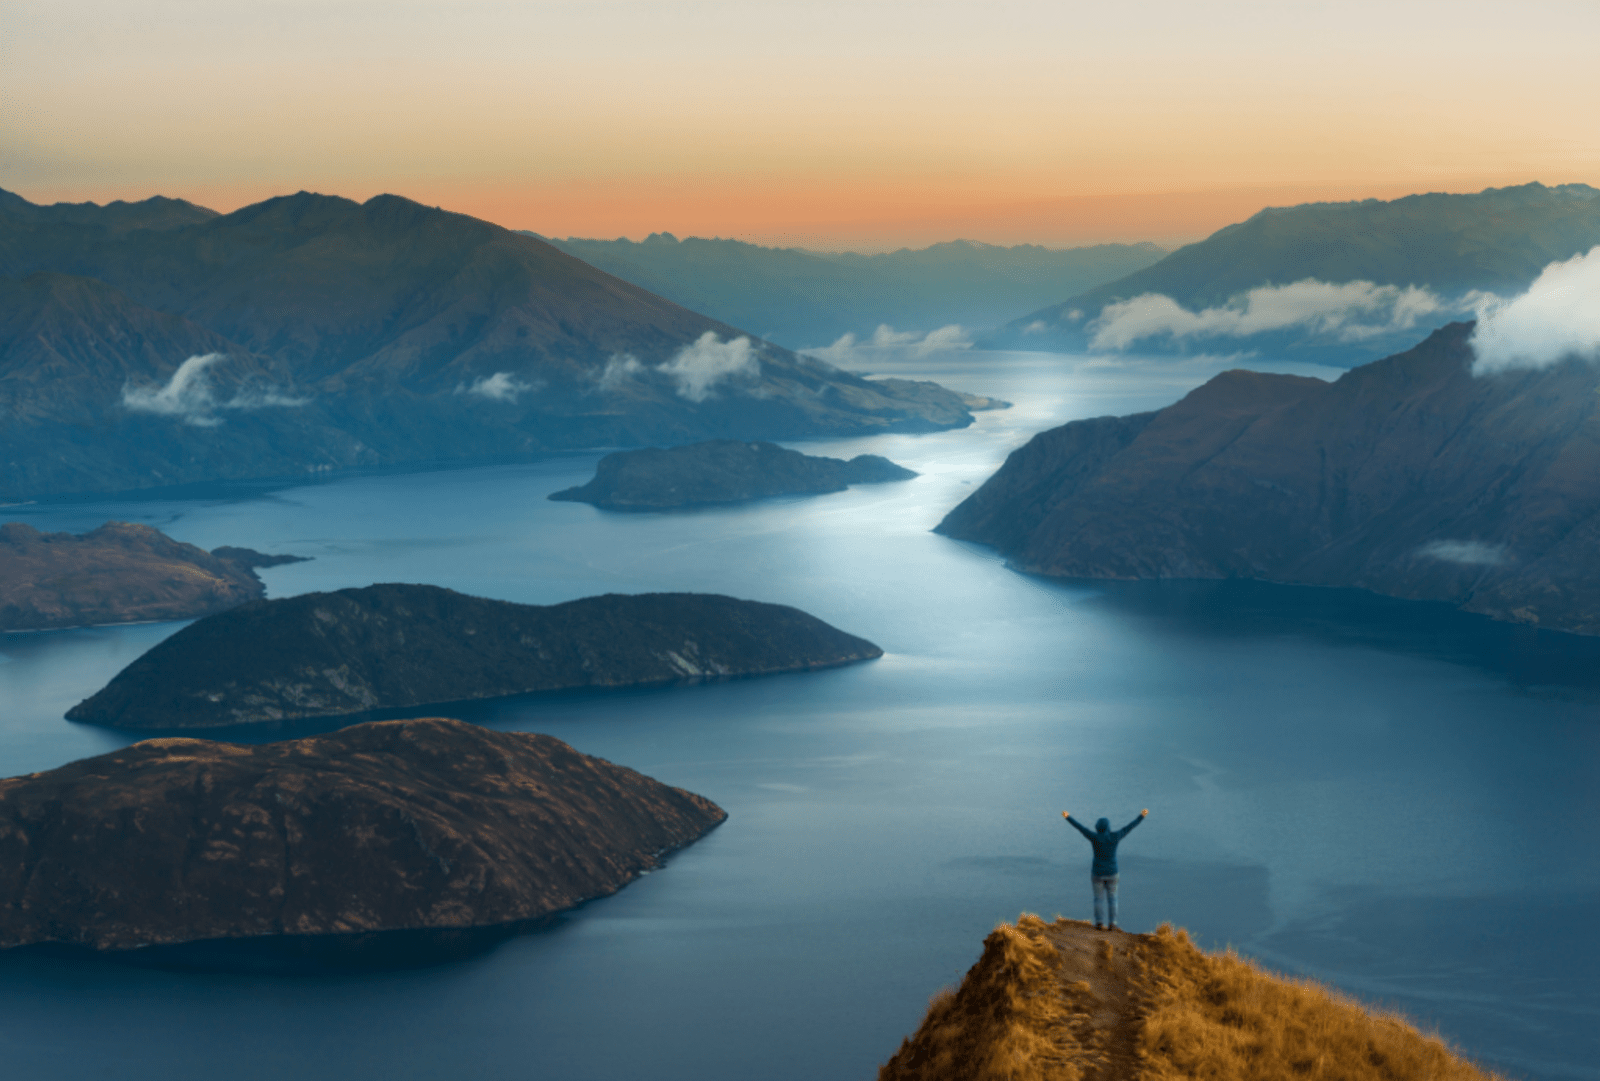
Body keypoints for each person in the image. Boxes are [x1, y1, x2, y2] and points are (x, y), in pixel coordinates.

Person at [1062, 808, 1148, 931]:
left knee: (1098, 899)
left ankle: (1099, 923)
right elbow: (1129, 827)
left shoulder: (1094, 837)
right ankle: (1112, 924)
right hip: (1112, 873)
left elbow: (1080, 828)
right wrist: (1141, 816)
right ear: (1108, 827)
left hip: (1097, 873)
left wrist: (1067, 817)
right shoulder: (1115, 836)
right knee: (1113, 899)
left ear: (1097, 827)